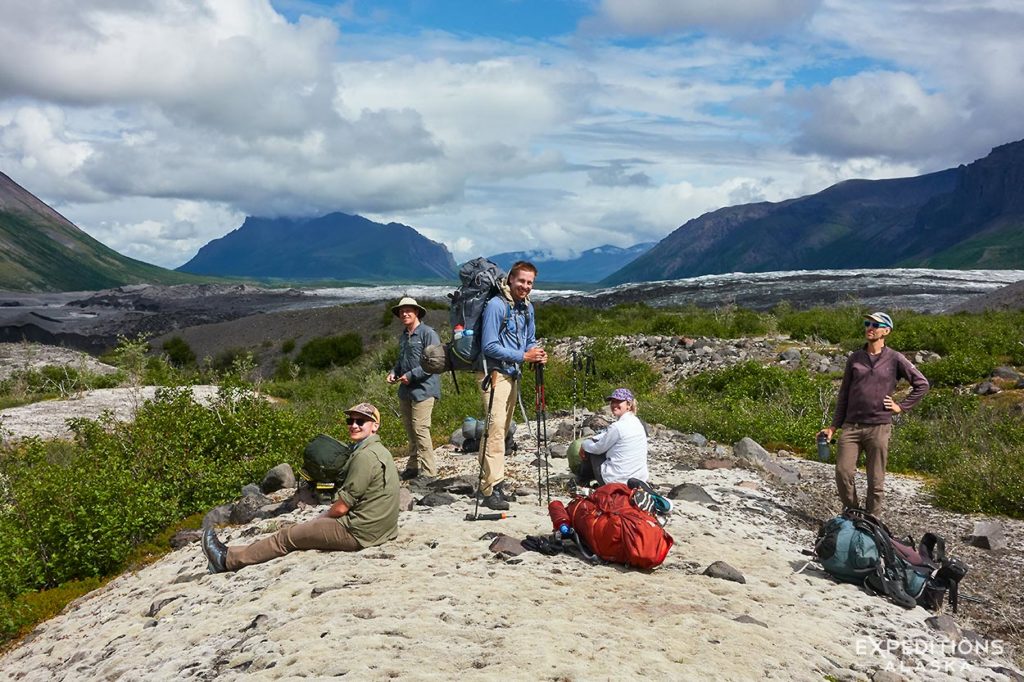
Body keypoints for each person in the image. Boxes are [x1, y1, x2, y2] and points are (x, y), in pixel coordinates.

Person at [201, 402, 399, 573]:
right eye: (351, 421)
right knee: (301, 530)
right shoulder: (380, 451)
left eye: (360, 421)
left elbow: (341, 508)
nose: (354, 425)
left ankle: (225, 560)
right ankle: (233, 553)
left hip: (359, 532)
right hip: (382, 528)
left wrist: (320, 519)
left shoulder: (364, 457)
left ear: (375, 426)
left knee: (287, 536)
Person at [817, 312, 929, 518]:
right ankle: (853, 511)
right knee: (843, 472)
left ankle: (872, 521)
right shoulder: (855, 358)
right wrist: (833, 427)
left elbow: (922, 384)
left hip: (879, 427)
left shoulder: (895, 358)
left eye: (876, 324)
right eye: (868, 323)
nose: (870, 327)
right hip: (851, 426)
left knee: (876, 481)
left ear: (886, 331)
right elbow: (844, 395)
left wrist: (901, 407)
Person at [476, 260, 547, 511]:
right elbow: (489, 345)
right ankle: (489, 489)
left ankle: (495, 483)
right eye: (521, 281)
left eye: (529, 283)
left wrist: (536, 352)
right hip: (494, 374)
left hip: (512, 374)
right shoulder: (496, 305)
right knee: (494, 430)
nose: (525, 287)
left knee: (502, 430)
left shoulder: (527, 308)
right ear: (510, 280)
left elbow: (528, 339)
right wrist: (524, 357)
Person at [386, 296, 441, 480]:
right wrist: (394, 372)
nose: (404, 314)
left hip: (424, 390)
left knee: (420, 430)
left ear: (417, 312)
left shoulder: (428, 333)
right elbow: (401, 361)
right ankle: (413, 467)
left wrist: (411, 376)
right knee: (411, 431)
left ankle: (429, 473)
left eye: (408, 310)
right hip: (406, 391)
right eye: (402, 311)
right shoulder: (404, 335)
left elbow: (434, 362)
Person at [577, 388, 649, 486]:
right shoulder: (637, 422)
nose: (614, 405)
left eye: (618, 401)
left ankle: (582, 481)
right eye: (612, 402)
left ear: (629, 404)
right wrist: (593, 438)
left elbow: (598, 448)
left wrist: (584, 444)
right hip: (638, 479)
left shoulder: (617, 427)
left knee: (591, 451)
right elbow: (609, 434)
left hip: (617, 481)